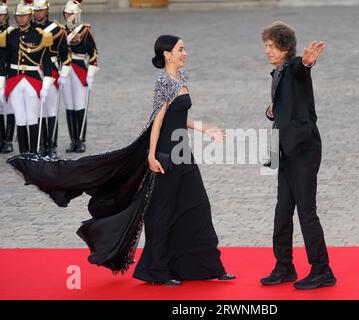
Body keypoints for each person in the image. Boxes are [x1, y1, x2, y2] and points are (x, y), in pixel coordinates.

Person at [8, 34, 235, 286]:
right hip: (164, 156)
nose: (185, 53)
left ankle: (206, 266)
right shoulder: (164, 82)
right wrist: (150, 155)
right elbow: (157, 121)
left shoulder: (181, 77)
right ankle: (156, 270)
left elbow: (179, 117)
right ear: (167, 55)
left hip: (183, 153)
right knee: (161, 213)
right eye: (181, 49)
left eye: (184, 49)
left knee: (198, 206)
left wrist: (206, 129)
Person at [259, 21, 337, 290]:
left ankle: (322, 270)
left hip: (303, 150)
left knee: (306, 211)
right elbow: (284, 105)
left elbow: (302, 70)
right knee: (282, 211)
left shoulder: (293, 67)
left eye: (271, 46)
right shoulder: (278, 71)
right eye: (266, 46)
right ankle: (284, 267)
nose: (267, 51)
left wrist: (307, 62)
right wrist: (272, 110)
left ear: (284, 47)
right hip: (284, 150)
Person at [0, 0, 54, 154]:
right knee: (20, 119)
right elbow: (2, 61)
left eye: (24, 16)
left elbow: (47, 62)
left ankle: (34, 152)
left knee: (32, 117)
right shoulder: (10, 35)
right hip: (14, 80)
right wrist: (1, 84)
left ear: (30, 16)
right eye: (18, 16)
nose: (21, 19)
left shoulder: (40, 35)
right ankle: (24, 153)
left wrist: (46, 85)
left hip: (33, 80)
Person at [32, 0, 71, 157]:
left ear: (46, 11)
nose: (38, 13)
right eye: (36, 11)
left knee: (51, 110)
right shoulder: (29, 30)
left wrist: (64, 73)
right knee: (38, 111)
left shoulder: (57, 29)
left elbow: (65, 55)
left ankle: (52, 146)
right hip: (34, 72)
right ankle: (42, 145)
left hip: (53, 72)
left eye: (41, 10)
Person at [61, 0, 98, 153]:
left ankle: (81, 140)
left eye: (71, 13)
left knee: (79, 106)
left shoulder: (84, 31)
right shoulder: (60, 30)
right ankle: (73, 140)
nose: (69, 16)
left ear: (77, 14)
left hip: (79, 70)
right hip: (64, 71)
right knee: (69, 106)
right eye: (67, 13)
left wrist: (90, 74)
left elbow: (94, 54)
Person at [0, 0, 15, 154]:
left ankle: (9, 140)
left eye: (2, 15)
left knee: (10, 107)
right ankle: (1, 138)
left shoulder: (12, 32)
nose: (0, 18)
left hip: (9, 72)